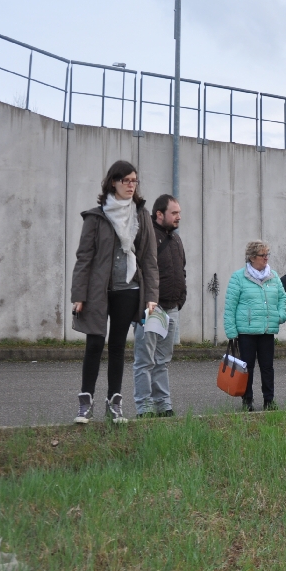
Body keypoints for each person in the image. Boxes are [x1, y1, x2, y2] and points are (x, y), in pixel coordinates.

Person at [71, 160, 159, 424]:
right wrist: (79, 294)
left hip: (129, 289)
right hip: (99, 291)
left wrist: (152, 296)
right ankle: (85, 404)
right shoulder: (97, 216)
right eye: (126, 181)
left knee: (118, 346)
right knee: (95, 343)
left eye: (134, 181)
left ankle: (114, 404)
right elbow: (84, 258)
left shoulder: (141, 214)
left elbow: (149, 258)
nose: (131, 185)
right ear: (113, 182)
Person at [131, 194, 186, 418]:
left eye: (179, 213)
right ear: (159, 214)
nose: (178, 217)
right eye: (174, 213)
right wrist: (146, 301)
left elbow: (182, 270)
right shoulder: (148, 236)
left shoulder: (175, 239)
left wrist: (181, 298)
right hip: (152, 308)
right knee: (145, 360)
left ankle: (163, 404)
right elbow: (138, 271)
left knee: (162, 361)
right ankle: (144, 407)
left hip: (172, 308)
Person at [224, 241, 286, 411]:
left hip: (267, 330)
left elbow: (283, 298)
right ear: (252, 257)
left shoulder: (273, 276)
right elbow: (230, 305)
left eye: (267, 254)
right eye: (262, 255)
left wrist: (281, 315)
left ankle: (269, 400)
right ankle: (247, 400)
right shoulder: (238, 277)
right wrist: (231, 331)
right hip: (246, 331)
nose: (266, 258)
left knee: (268, 367)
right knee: (247, 368)